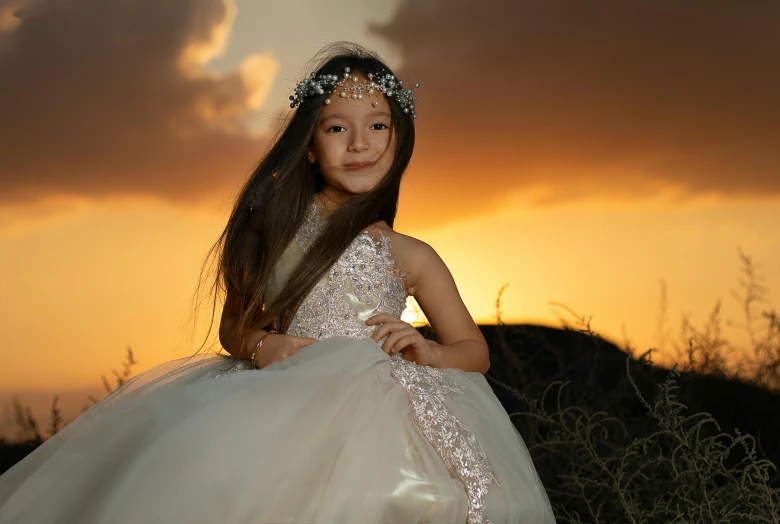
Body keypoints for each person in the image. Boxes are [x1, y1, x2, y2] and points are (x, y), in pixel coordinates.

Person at [0, 41, 556, 523]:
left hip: (385, 416)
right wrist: (266, 346)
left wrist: (428, 351)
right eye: (337, 128)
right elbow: (235, 324)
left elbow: (474, 351)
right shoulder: (275, 225)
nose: (360, 144)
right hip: (282, 398)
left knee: (416, 501)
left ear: (399, 139)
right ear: (310, 146)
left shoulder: (411, 254)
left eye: (378, 126)